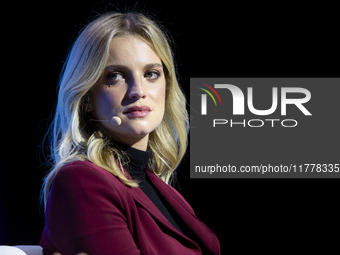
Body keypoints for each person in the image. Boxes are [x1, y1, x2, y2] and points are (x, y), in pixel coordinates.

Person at [40, 11, 220, 255]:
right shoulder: (80, 181)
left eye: (151, 74)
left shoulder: (161, 189)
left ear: (166, 87)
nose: (138, 91)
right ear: (87, 98)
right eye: (115, 76)